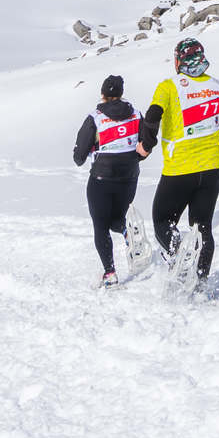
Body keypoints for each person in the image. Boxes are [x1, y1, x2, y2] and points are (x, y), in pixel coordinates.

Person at [138, 39, 219, 289]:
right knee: (202, 225)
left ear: (178, 60)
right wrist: (213, 144)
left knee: (162, 220)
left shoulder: (169, 86)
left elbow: (152, 116)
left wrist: (146, 146)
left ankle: (180, 258)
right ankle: (201, 282)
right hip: (212, 167)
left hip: (180, 167)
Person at [73, 75, 149, 286]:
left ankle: (110, 273)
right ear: (121, 93)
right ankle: (127, 230)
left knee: (100, 225)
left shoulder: (95, 117)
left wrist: (84, 151)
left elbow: (78, 157)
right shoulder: (136, 114)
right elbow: (145, 143)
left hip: (102, 178)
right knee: (117, 216)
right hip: (129, 176)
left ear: (103, 94)